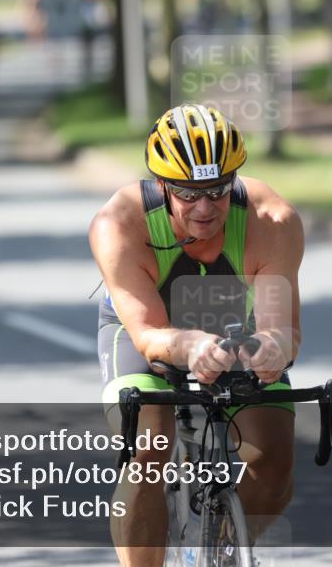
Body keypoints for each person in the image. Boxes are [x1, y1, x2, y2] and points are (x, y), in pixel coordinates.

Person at [89, 104, 303, 566]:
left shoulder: (272, 221)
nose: (205, 207)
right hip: (145, 332)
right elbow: (148, 335)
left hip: (233, 331)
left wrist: (272, 349)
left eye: (217, 190)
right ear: (162, 186)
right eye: (188, 194)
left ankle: (216, 545)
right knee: (151, 443)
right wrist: (191, 346)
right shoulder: (119, 224)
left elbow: (281, 329)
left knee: (275, 461)